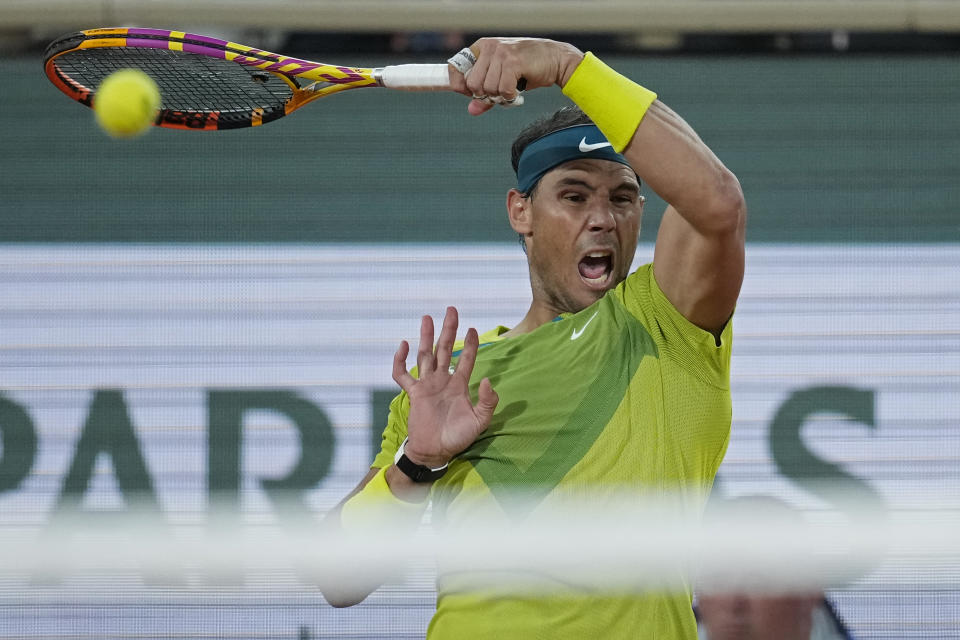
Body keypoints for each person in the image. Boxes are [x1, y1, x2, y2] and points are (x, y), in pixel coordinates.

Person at [322, 37, 747, 639]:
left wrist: (567, 67)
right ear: (521, 211)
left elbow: (717, 202)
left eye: (623, 198)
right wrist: (417, 465)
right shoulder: (452, 383)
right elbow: (338, 581)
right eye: (574, 196)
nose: (603, 218)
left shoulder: (665, 322)